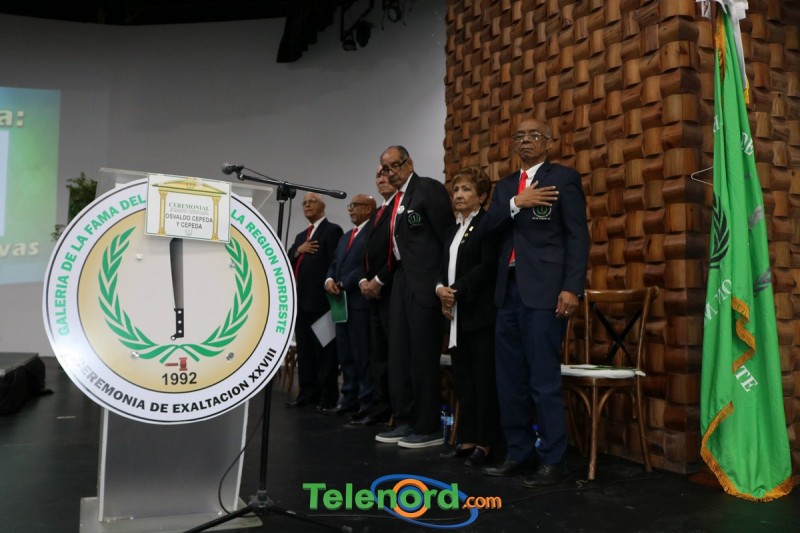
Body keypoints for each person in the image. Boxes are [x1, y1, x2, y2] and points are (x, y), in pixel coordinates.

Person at [482, 116, 589, 486]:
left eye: (533, 135)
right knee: (509, 379)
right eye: (519, 136)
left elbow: (577, 236)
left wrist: (572, 287)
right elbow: (487, 229)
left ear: (549, 142)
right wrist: (517, 202)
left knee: (543, 378)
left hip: (545, 291)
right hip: (507, 292)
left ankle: (554, 459)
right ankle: (519, 453)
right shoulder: (505, 187)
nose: (525, 140)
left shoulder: (563, 179)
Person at [373, 145, 454, 448]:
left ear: (409, 163)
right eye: (385, 168)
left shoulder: (427, 189)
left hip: (427, 283)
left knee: (422, 356)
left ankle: (427, 425)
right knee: (400, 355)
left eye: (395, 165)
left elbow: (447, 237)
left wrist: (441, 282)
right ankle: (405, 420)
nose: (390, 172)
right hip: (401, 280)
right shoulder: (395, 200)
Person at [436, 167, 501, 466]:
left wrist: (456, 290)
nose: (459, 195)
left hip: (479, 313)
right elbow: (442, 267)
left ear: (482, 196)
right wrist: (440, 289)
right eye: (456, 190)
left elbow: (487, 267)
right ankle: (467, 438)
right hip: (455, 316)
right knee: (463, 380)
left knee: (483, 381)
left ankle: (486, 442)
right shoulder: (452, 229)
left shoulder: (487, 224)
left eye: (466, 189)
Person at [286, 193, 343, 410]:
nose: (307, 205)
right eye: (304, 203)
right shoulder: (301, 236)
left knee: (325, 352)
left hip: (322, 302)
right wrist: (298, 250)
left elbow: (336, 263)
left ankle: (327, 398)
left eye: (312, 202)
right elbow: (288, 258)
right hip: (301, 303)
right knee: (305, 351)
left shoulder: (332, 230)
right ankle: (307, 394)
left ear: (323, 206)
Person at [324, 194, 377, 418]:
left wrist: (345, 282)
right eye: (350, 206)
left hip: (360, 304)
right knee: (345, 355)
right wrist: (329, 280)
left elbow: (366, 264)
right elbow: (335, 264)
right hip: (341, 305)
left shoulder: (373, 233)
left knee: (362, 355)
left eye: (355, 206)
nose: (350, 209)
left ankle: (366, 402)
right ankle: (348, 398)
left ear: (369, 209)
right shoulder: (346, 237)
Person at [353, 169, 398, 426]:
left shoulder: (399, 210)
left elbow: (400, 254)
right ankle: (380, 408)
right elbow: (365, 254)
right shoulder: (377, 214)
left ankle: (396, 411)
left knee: (393, 357)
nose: (381, 179)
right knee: (378, 356)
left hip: (391, 291)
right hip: (372, 294)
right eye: (378, 176)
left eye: (386, 174)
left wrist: (379, 280)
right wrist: (362, 280)